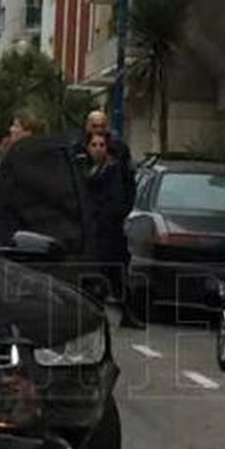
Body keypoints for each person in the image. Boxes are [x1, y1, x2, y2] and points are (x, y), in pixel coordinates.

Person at [80, 129, 144, 328]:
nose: (98, 149)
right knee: (94, 275)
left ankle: (127, 313)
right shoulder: (83, 169)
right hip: (92, 231)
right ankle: (94, 315)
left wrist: (118, 214)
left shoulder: (113, 170)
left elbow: (122, 197)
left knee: (118, 274)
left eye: (101, 145)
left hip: (112, 231)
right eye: (94, 145)